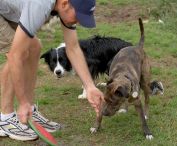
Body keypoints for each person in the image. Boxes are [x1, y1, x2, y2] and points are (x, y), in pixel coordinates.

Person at [0, 0, 104, 141]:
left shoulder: (64, 6)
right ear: (65, 4)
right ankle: (6, 118)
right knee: (18, 52)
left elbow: (72, 48)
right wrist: (22, 102)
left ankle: (29, 110)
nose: (78, 22)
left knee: (34, 46)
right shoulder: (41, 5)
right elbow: (14, 56)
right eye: (78, 16)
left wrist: (90, 86)